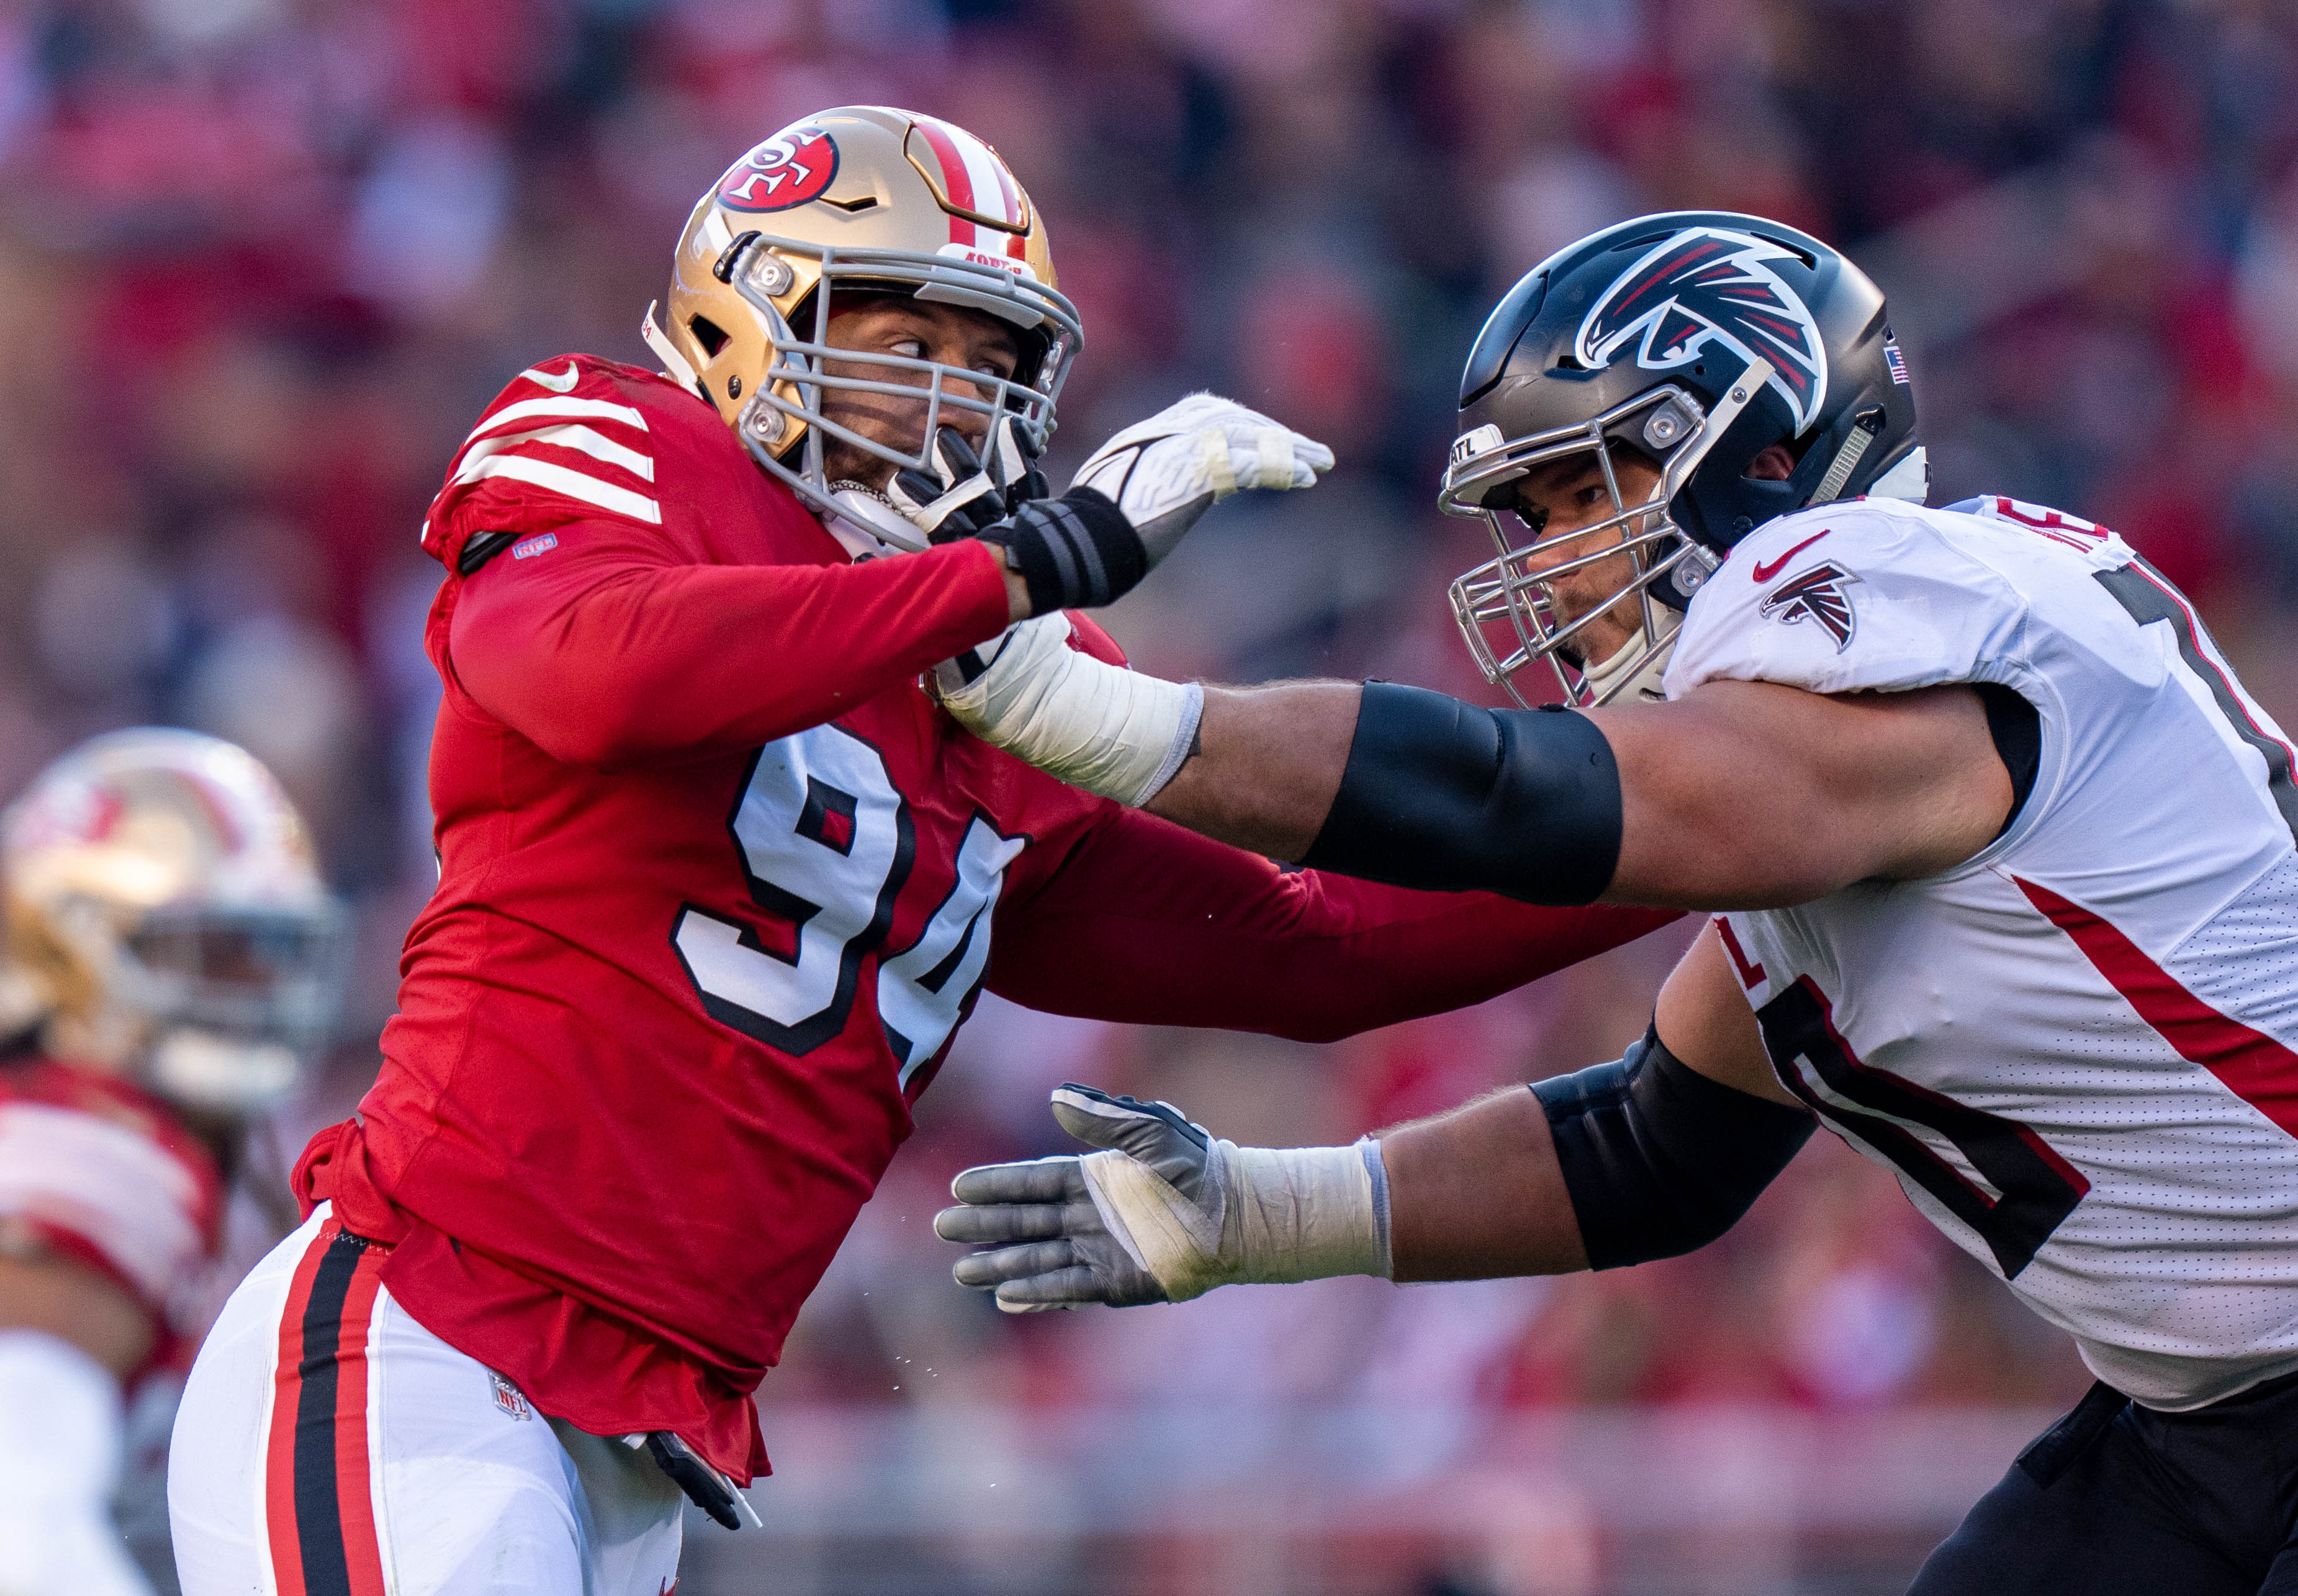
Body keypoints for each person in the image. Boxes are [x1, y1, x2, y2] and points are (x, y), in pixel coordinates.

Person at [936, 210, 2298, 1595]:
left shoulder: (1889, 633)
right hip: (2195, 1422)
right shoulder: (1811, 786)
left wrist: (1100, 715)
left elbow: (1537, 803)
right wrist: (1253, 1213)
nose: (1553, 554)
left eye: (1583, 489)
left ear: (1756, 445)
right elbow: (1653, 1150)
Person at [164, 106, 1668, 1596]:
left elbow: (1317, 947)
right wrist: (1009, 568)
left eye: (990, 359)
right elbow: (593, 671)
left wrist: (1706, 829)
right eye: (901, 333)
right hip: (429, 1337)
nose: (948, 395)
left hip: (626, 1446)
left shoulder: (1010, 665)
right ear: (743, 315)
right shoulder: (624, 436)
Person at [0, 728, 348, 1596]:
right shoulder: (93, 1157)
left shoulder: (151, 1143)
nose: (257, 985)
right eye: (211, 946)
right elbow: (21, 1526)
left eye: (270, 947)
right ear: (73, 944)